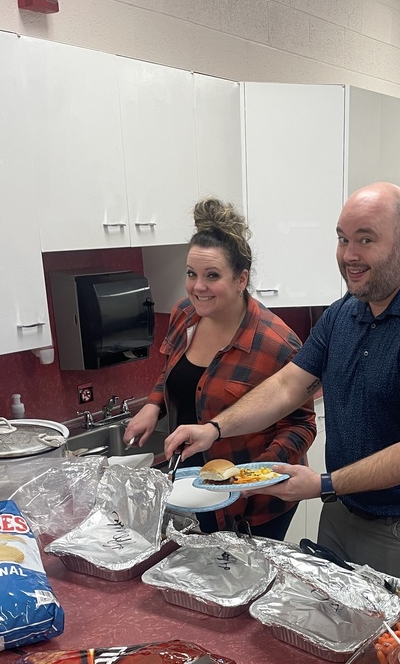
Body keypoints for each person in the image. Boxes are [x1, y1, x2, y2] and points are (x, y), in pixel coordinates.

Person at [164, 182, 400, 588]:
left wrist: (323, 484)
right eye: (342, 239)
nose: (349, 255)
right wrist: (213, 429)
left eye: (365, 240)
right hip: (340, 515)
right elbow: (287, 387)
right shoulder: (344, 315)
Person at [123, 196, 316, 540]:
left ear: (241, 280)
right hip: (192, 485)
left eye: (212, 276)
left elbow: (301, 425)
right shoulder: (184, 315)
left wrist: (254, 478)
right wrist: (154, 405)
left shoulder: (276, 343)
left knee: (245, 581)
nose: (198, 287)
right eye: (191, 274)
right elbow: (172, 370)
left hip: (256, 502)